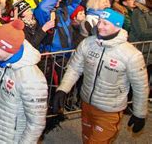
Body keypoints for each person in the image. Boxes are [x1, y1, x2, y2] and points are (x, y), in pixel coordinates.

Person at [52, 8, 149, 143]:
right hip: (86, 103)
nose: (99, 27)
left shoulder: (132, 55)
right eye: (99, 22)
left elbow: (140, 86)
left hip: (109, 110)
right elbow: (75, 68)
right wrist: (63, 89)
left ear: (117, 26)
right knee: (86, 137)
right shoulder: (87, 43)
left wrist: (140, 113)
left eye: (105, 24)